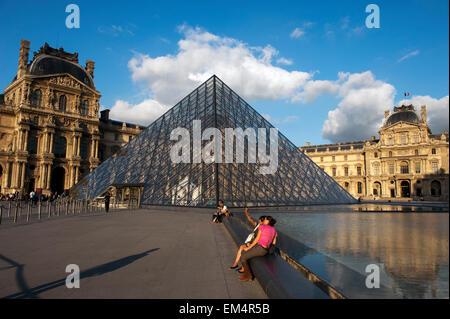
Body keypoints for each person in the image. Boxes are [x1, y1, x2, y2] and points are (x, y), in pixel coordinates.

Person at [238, 216, 277, 282]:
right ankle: (246, 273)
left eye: (265, 219)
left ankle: (248, 275)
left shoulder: (262, 227)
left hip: (260, 248)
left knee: (243, 256)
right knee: (245, 253)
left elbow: (256, 240)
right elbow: (274, 242)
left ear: (268, 221)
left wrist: (248, 248)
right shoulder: (274, 230)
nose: (264, 220)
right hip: (265, 250)